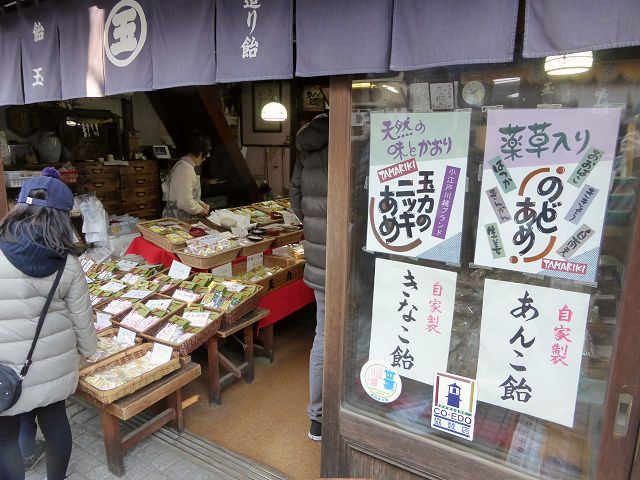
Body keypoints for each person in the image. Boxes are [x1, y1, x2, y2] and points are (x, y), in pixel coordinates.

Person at [0, 167, 97, 480]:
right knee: (57, 426)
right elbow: (82, 317)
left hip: (5, 369)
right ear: (62, 218)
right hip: (52, 365)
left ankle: (22, 462)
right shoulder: (67, 262)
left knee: (4, 438)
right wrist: (90, 350)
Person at [290, 113, 329, 441]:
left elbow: (296, 201)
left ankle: (317, 418)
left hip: (318, 259)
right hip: (350, 258)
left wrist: (316, 229)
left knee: (323, 336)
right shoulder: (353, 134)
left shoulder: (306, 146)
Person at [162, 130, 213, 220]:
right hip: (178, 219)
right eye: (204, 156)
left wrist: (199, 203)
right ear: (200, 153)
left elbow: (183, 195)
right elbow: (185, 202)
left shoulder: (182, 165)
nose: (204, 159)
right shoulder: (186, 170)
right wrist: (200, 210)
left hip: (175, 216)